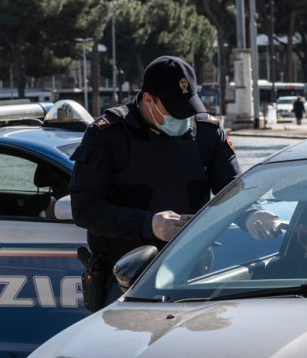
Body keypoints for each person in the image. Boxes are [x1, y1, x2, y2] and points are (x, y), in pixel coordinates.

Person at [69, 55, 242, 311]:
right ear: (148, 99)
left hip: (192, 274)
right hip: (125, 277)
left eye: (188, 110)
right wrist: (149, 224)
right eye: (174, 111)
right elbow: (85, 209)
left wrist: (253, 215)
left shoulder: (206, 133)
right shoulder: (107, 136)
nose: (183, 119)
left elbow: (234, 192)